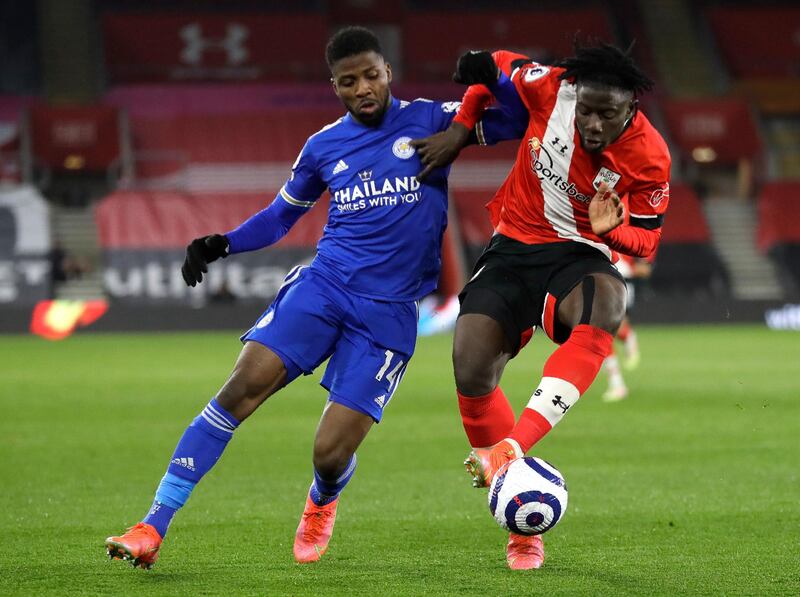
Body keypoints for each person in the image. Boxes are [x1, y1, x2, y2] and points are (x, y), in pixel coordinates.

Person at [104, 26, 504, 569]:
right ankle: (153, 524)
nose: (362, 88)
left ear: (387, 71)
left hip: (388, 314)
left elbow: (517, 119)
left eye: (369, 75)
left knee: (330, 452)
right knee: (239, 390)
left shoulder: (434, 119)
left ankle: (322, 498)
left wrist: (489, 87)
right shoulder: (323, 146)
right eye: (348, 82)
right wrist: (221, 243)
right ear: (334, 87)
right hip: (324, 285)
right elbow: (279, 217)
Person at [411, 44, 671, 570]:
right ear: (574, 95)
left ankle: (513, 466)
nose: (593, 123)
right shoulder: (548, 85)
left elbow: (646, 243)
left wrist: (610, 231)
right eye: (587, 110)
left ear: (632, 111)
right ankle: (518, 505)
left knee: (608, 302)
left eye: (608, 114)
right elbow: (484, 67)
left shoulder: (651, 156)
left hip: (579, 253)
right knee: (470, 364)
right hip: (513, 244)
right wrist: (462, 128)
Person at [602, 253, 651, 402]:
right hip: (604, 285)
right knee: (606, 333)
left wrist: (630, 271)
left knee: (604, 333)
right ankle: (629, 337)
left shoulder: (624, 241)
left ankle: (617, 385)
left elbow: (644, 270)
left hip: (619, 287)